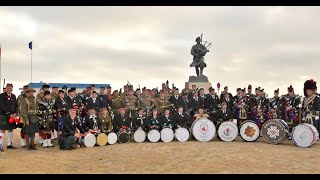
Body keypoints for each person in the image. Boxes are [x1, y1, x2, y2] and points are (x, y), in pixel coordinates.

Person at [0, 83, 18, 151]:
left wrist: (15, 113)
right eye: (8, 88)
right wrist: (9, 113)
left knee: (11, 129)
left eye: (11, 88)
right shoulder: (1, 96)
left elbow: (16, 105)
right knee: (3, 129)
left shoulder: (13, 96)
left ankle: (9, 144)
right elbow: (2, 106)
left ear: (12, 89)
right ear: (6, 88)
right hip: (4, 115)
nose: (9, 89)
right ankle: (0, 144)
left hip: (12, 115)